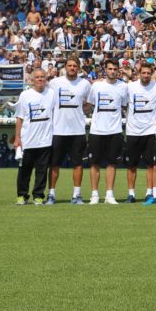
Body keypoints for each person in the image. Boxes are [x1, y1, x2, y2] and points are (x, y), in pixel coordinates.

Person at [47, 56, 91, 204]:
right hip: (58, 130)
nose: (72, 68)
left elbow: (88, 104)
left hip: (77, 131)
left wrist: (82, 110)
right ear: (65, 67)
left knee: (78, 164)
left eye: (75, 66)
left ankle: (76, 195)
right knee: (54, 164)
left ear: (78, 68)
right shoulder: (54, 83)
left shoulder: (85, 84)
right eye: (69, 65)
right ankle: (51, 194)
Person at [85, 59, 128, 205]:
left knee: (111, 164)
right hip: (97, 130)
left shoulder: (123, 87)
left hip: (115, 131)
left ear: (118, 70)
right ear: (105, 70)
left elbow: (124, 106)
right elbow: (88, 106)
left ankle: (109, 194)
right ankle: (94, 195)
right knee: (94, 164)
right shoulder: (96, 86)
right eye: (110, 69)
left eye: (115, 69)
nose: (112, 71)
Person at [13, 69, 55, 205]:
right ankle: (22, 196)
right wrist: (17, 138)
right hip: (27, 140)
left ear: (46, 79)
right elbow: (19, 118)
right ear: (32, 80)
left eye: (43, 77)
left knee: (42, 171)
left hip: (45, 140)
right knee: (24, 170)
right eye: (37, 77)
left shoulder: (52, 94)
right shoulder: (25, 95)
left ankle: (38, 196)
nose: (40, 79)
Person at [125, 63, 156, 205]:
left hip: (151, 132)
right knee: (131, 165)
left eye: (148, 73)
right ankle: (131, 194)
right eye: (143, 73)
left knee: (150, 165)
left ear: (151, 73)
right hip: (133, 131)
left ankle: (149, 193)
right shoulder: (130, 87)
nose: (146, 75)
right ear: (139, 73)